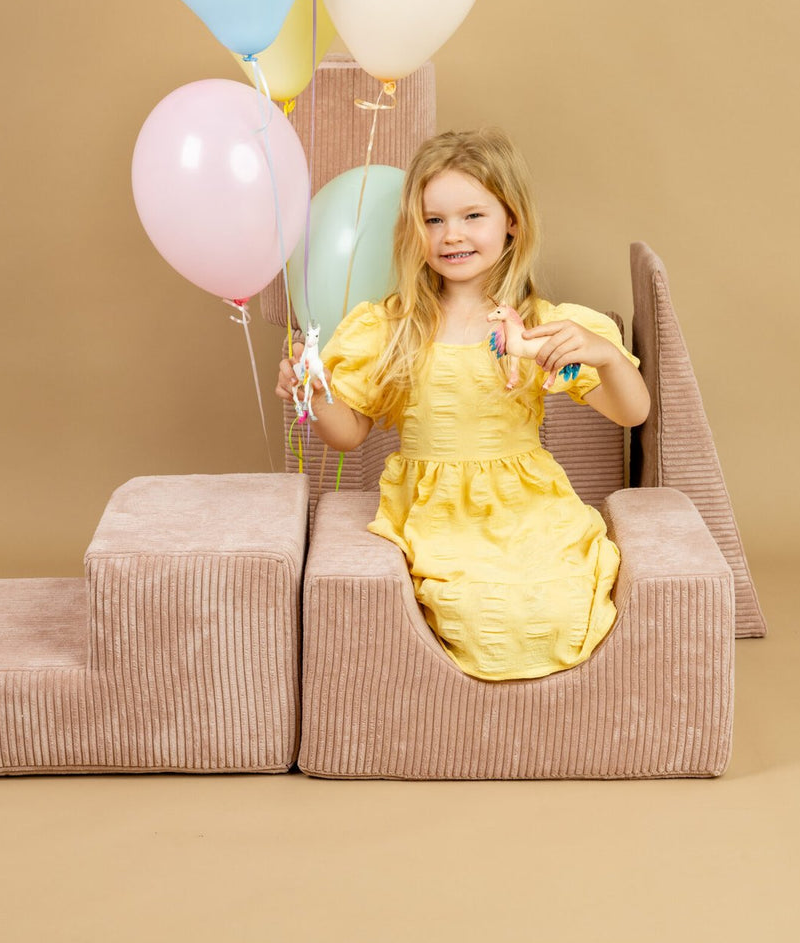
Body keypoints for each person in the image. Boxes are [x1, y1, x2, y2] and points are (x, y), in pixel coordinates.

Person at [275, 128, 651, 682]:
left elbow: (632, 413)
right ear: (415, 229)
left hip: (527, 504)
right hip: (434, 509)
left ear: (511, 221)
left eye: (473, 216)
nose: (452, 235)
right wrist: (318, 394)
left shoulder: (542, 326)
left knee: (551, 605)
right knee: (478, 616)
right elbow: (348, 435)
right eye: (434, 220)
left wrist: (608, 358)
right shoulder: (391, 325)